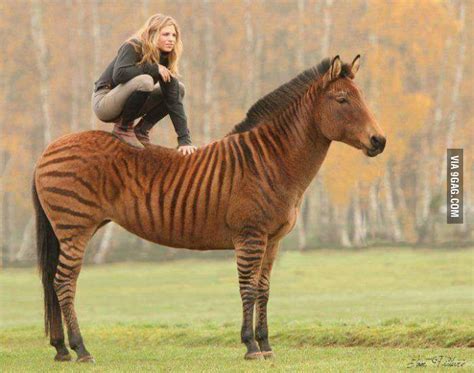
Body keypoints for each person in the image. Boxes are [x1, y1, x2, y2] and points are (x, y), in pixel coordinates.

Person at [92, 14, 197, 154]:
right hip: (105, 101)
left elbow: (173, 101)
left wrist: (184, 140)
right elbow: (119, 75)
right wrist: (153, 68)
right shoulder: (133, 45)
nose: (171, 39)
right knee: (145, 81)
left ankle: (141, 130)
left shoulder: (165, 57)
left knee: (178, 89)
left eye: (174, 35)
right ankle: (123, 128)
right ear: (153, 34)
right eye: (166, 34)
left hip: (129, 105)